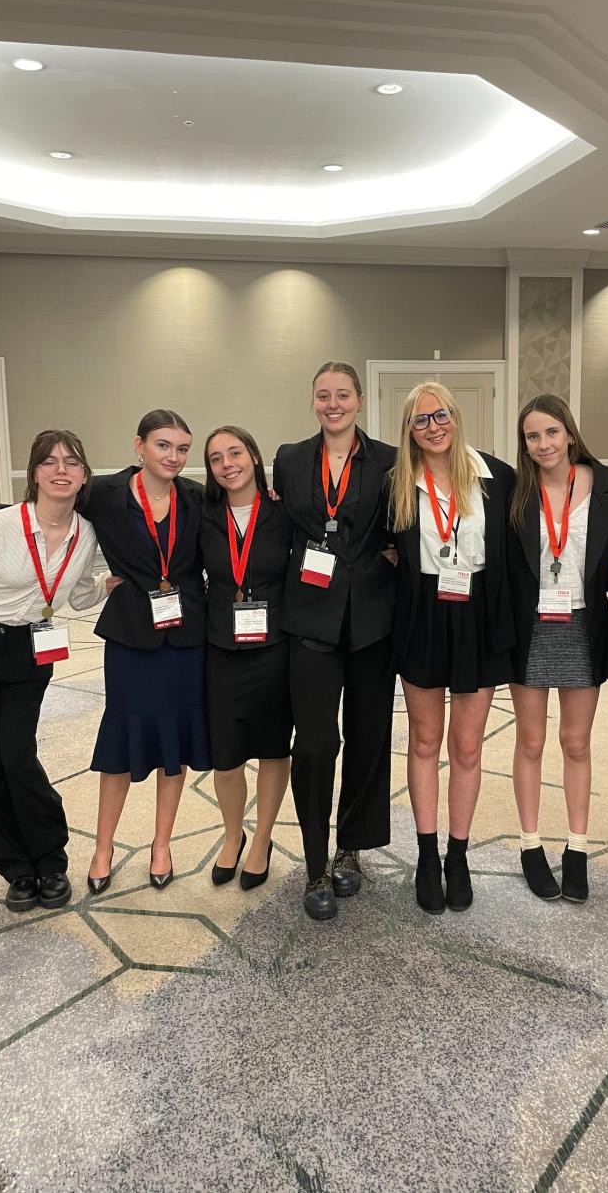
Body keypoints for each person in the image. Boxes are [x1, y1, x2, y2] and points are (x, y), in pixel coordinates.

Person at [0, 409, 211, 894]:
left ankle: (162, 844)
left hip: (186, 636)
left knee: (176, 743)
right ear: (139, 445)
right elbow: (49, 498)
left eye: (182, 448)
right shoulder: (106, 492)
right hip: (131, 636)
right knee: (119, 742)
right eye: (163, 445)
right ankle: (103, 847)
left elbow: (242, 511)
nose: (173, 456)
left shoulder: (197, 497)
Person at [0, 430, 108, 911]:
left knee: (17, 756)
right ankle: (16, 869)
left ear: (84, 475)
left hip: (31, 649)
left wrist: (108, 583)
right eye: (49, 461)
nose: (61, 470)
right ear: (33, 473)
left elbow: (77, 594)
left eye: (72, 462)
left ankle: (50, 860)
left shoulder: (86, 533)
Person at [272, 363, 398, 920]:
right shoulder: (290, 458)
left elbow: (406, 523)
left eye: (342, 394)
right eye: (323, 395)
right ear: (313, 401)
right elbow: (269, 515)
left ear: (360, 400)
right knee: (315, 743)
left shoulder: (391, 460)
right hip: (310, 617)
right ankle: (315, 860)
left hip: (372, 617)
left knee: (369, 736)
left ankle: (352, 847)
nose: (333, 404)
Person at [389, 382, 515, 914]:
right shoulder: (398, 483)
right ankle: (425, 854)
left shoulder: (497, 477)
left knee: (467, 746)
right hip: (422, 615)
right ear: (409, 430)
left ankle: (457, 856)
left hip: (477, 615)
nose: (433, 427)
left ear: (456, 416)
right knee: (424, 742)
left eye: (440, 415)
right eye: (421, 420)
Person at [506, 395, 608, 904]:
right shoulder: (515, 492)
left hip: (582, 625)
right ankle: (531, 845)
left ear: (570, 433)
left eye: (551, 432)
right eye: (532, 436)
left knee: (576, 743)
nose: (543, 443)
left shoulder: (607, 485)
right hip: (530, 627)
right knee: (530, 742)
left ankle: (577, 847)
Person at [201, 425, 292, 890]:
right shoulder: (203, 513)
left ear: (254, 457)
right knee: (227, 756)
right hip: (221, 647)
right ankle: (233, 834)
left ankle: (262, 840)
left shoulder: (283, 511)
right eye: (216, 458)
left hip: (275, 647)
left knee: (274, 747)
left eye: (235, 453)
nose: (227, 464)